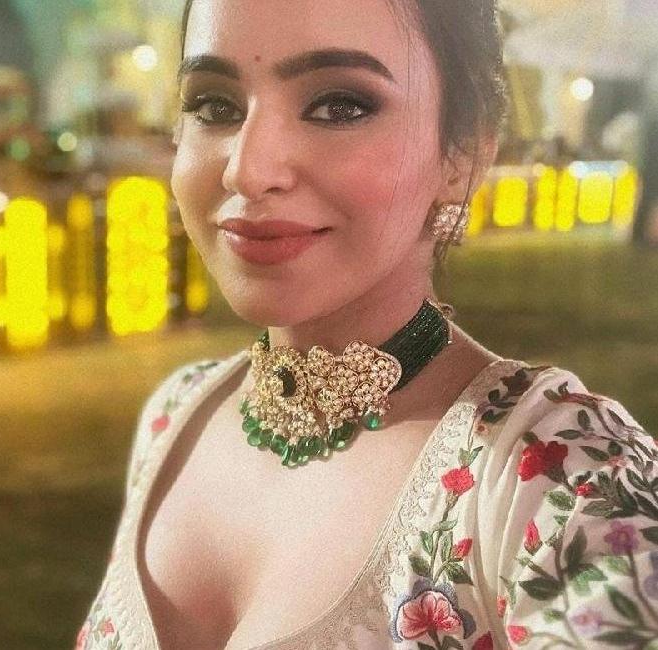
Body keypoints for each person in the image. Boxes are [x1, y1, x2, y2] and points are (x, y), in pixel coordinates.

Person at [75, 1, 657, 648]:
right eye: (214, 105)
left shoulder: (563, 478)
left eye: (339, 106)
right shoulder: (175, 414)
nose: (247, 170)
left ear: (462, 155)